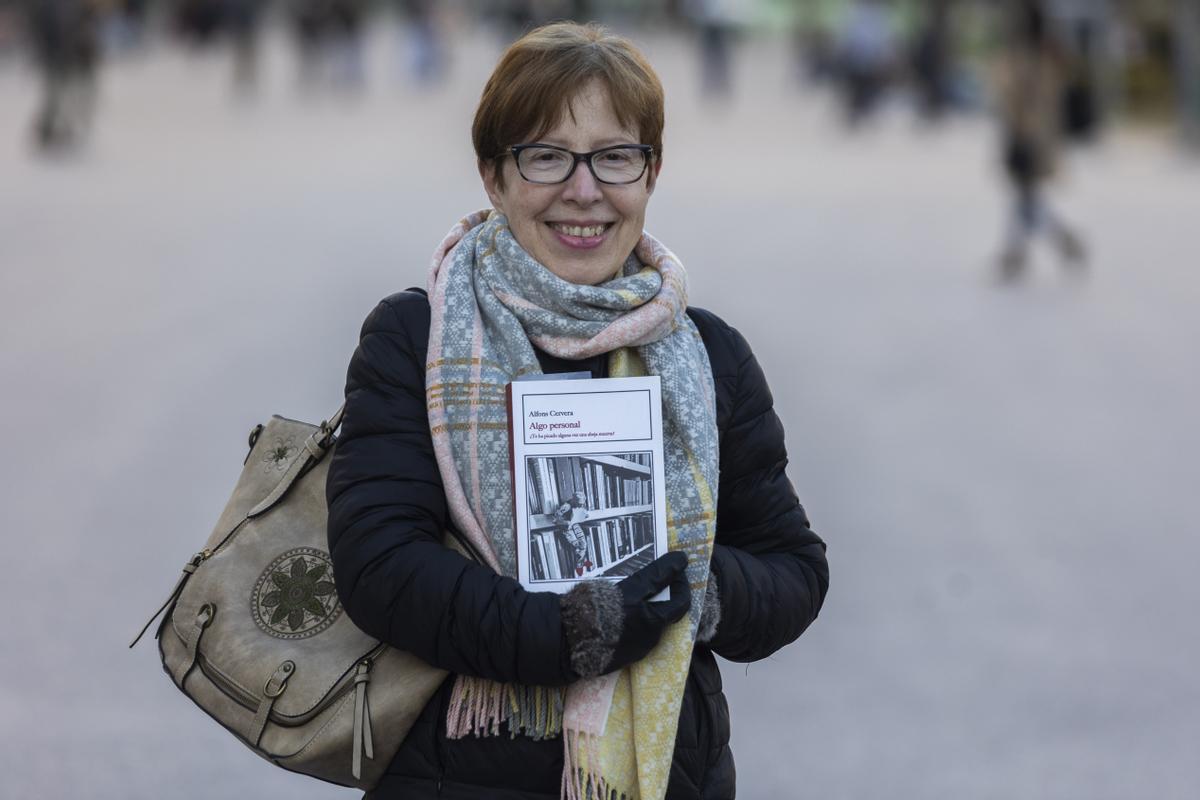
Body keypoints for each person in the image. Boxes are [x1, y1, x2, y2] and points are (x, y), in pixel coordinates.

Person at [326, 22, 829, 800]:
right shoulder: (418, 339)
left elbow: (793, 568)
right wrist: (575, 628)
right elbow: (381, 570)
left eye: (614, 156)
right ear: (493, 177)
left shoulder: (708, 355)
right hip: (456, 772)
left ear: (652, 172)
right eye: (546, 156)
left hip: (666, 775)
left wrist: (693, 586)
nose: (584, 190)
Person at [994, 0, 1087, 280]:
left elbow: (1018, 101)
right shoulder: (1048, 58)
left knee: (1027, 199)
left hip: (1028, 139)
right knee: (1025, 198)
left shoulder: (1027, 60)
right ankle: (1018, 253)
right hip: (1038, 138)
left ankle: (1060, 241)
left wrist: (1023, 133)